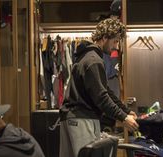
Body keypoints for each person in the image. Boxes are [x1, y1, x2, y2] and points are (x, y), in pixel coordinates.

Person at [59, 18, 139, 157]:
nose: (116, 46)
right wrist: (123, 118)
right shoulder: (94, 60)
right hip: (81, 118)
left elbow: (105, 90)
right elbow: (101, 97)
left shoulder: (88, 56)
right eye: (114, 41)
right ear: (104, 37)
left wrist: (125, 111)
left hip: (73, 118)